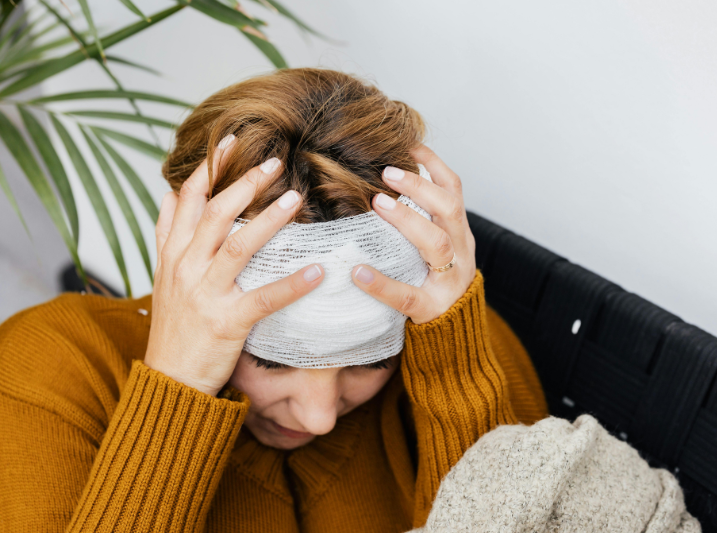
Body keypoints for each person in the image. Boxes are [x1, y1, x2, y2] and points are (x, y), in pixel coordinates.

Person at [0, 68, 548, 532]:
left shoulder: (453, 340)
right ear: (179, 252)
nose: (318, 419)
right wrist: (178, 386)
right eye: (273, 359)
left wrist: (456, 366)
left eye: (372, 359)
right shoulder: (52, 368)